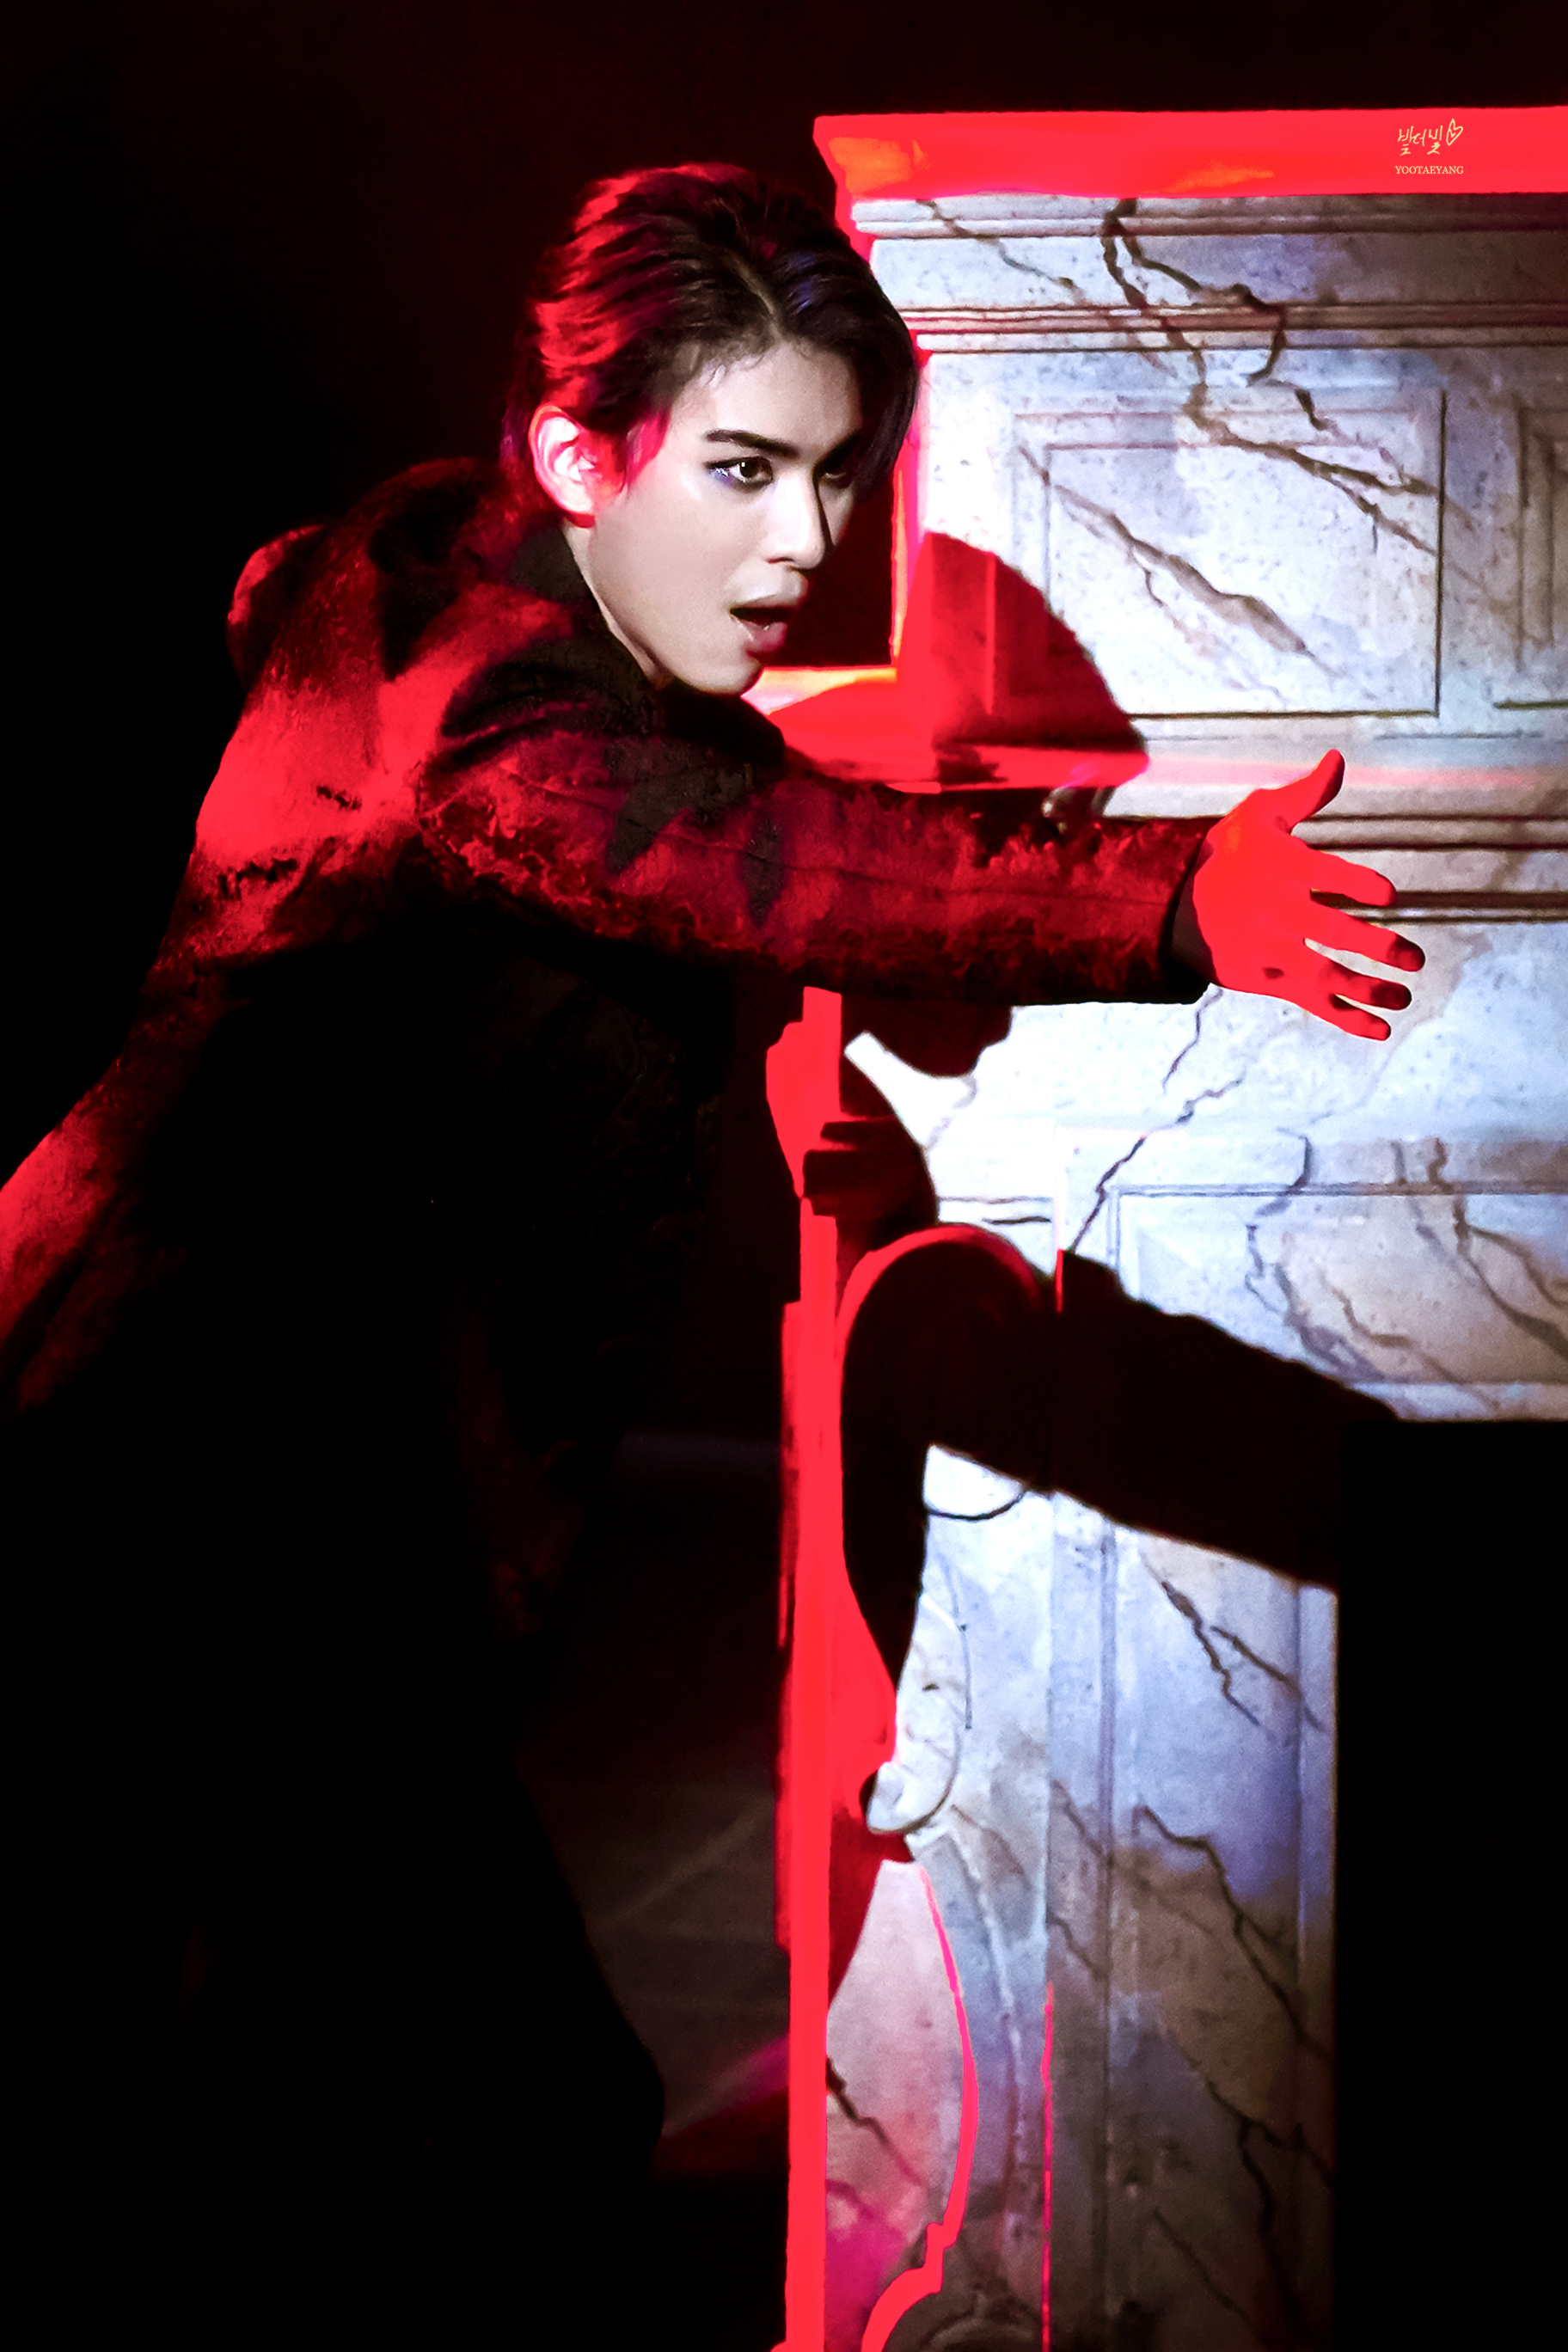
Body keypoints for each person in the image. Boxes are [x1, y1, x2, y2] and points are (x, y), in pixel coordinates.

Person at [0, 163, 1420, 2342]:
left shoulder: (454, 594)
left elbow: (718, 783)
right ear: (582, 456)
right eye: (745, 472)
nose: (805, 544)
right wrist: (1169, 898)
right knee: (475, 2105)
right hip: (164, 1491)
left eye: (839, 477)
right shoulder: (492, 729)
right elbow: (751, 855)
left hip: (248, 1494)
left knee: (307, 2095)